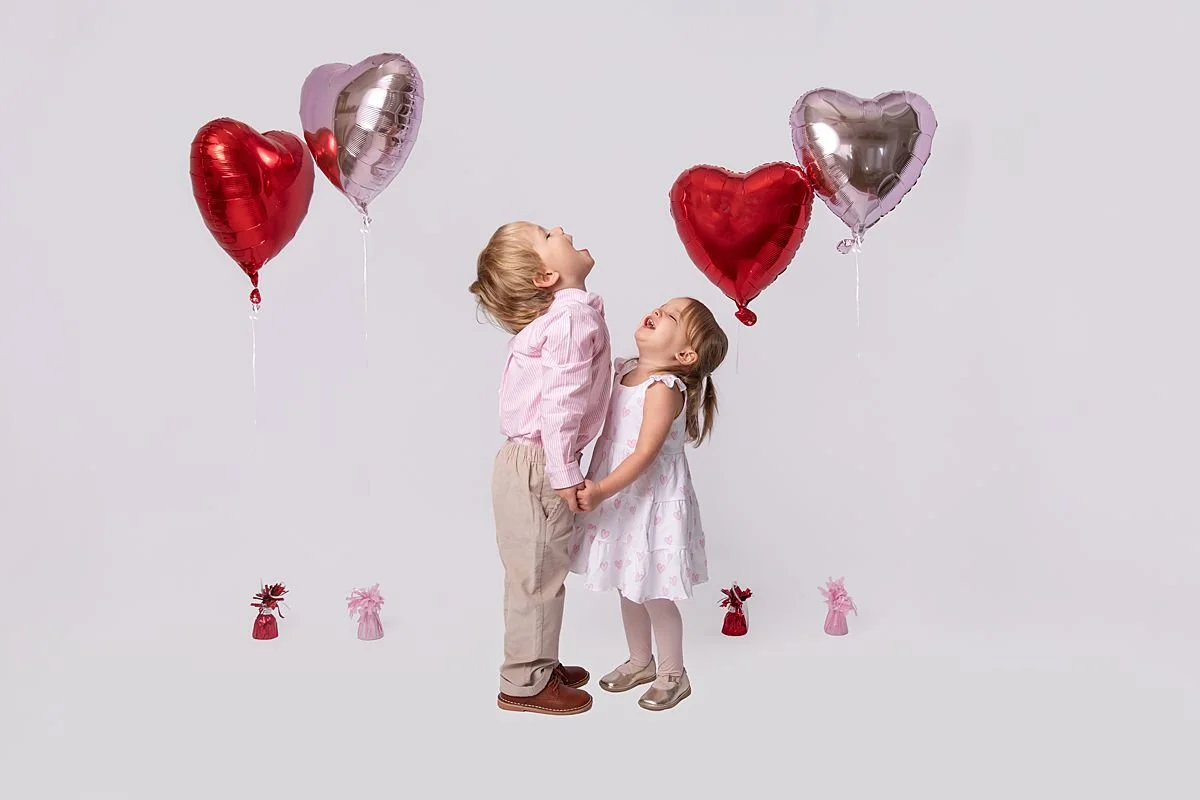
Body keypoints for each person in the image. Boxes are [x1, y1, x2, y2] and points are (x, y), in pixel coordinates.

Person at [469, 221, 612, 715]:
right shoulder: (571, 320)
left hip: (528, 461)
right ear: (545, 277)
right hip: (541, 462)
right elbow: (560, 404)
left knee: (539, 569)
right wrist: (565, 471)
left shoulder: (566, 318)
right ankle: (524, 683)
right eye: (546, 236)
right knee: (536, 574)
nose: (560, 229)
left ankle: (539, 660)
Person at [570, 297, 729, 711]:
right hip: (625, 499)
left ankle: (674, 674)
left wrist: (602, 489)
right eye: (661, 306)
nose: (657, 312)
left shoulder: (663, 389)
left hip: (651, 501)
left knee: (655, 591)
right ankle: (641, 661)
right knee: (628, 583)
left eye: (671, 316)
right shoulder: (625, 370)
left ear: (685, 355)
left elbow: (643, 454)